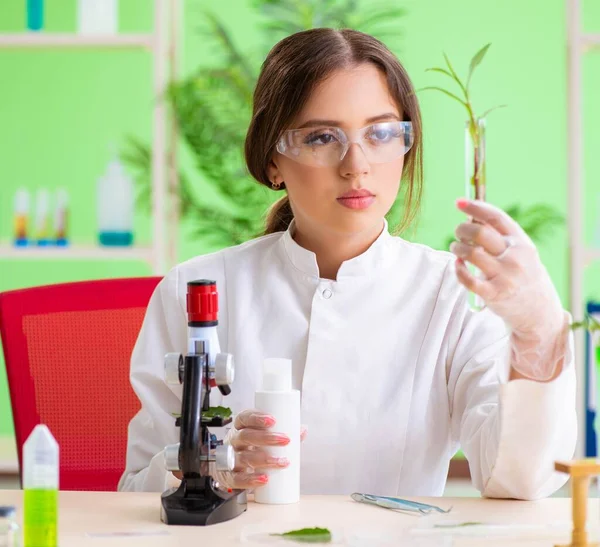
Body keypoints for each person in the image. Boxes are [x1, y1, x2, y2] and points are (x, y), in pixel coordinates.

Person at [118, 28, 576, 499]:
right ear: (272, 160)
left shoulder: (452, 294)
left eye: (380, 133)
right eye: (321, 137)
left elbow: (520, 480)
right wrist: (208, 465)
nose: (356, 164)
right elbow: (134, 491)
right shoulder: (197, 291)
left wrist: (537, 331)